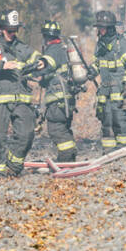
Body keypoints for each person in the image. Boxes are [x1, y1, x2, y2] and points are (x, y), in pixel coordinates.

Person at [0, 10, 44, 177]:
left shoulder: (21, 47)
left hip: (21, 99)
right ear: (0, 28)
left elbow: (37, 57)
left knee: (27, 133)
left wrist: (42, 62)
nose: (12, 34)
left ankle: (13, 166)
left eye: (15, 31)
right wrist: (1, 66)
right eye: (9, 31)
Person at [93, 10, 126, 152]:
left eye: (102, 28)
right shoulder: (100, 45)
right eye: (99, 28)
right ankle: (108, 153)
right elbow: (98, 63)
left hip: (120, 91)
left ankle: (124, 151)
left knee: (120, 121)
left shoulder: (121, 44)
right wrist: (91, 71)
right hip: (105, 92)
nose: (99, 31)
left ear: (110, 28)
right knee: (106, 122)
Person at [38, 20, 81, 163]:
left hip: (57, 100)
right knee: (64, 129)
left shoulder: (52, 50)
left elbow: (44, 67)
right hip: (67, 99)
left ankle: (66, 158)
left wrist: (27, 72)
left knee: (56, 130)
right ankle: (70, 156)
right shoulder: (62, 49)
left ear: (45, 36)